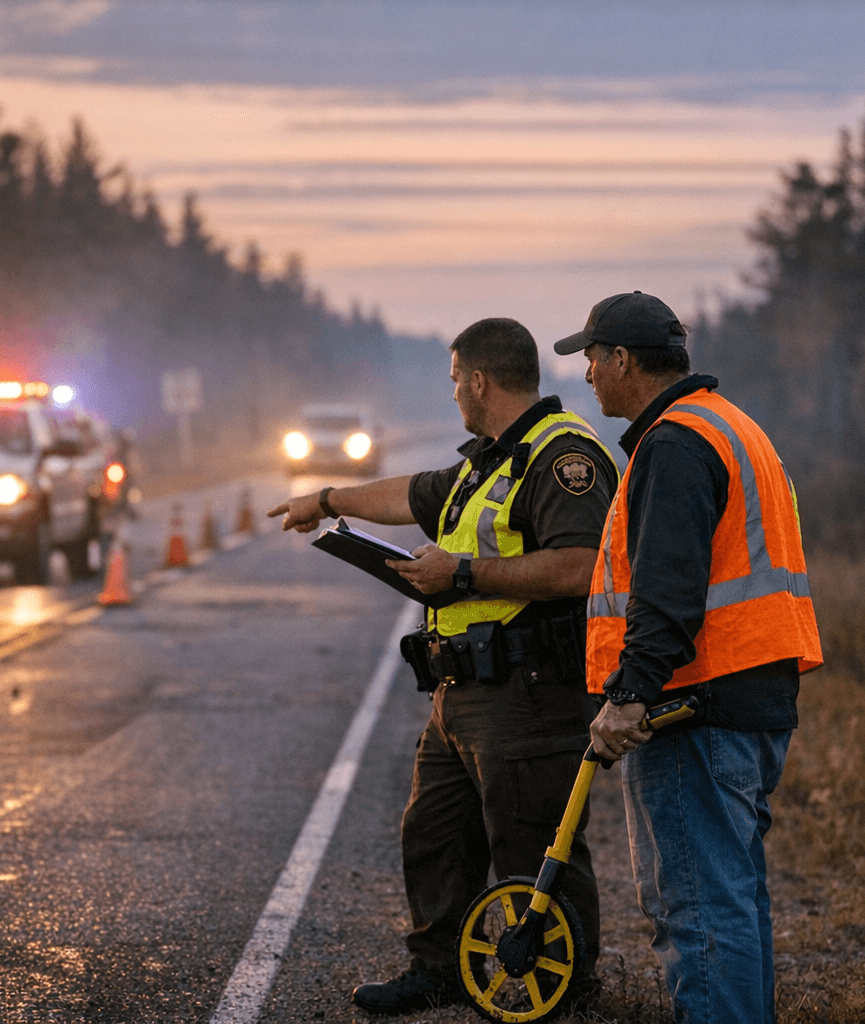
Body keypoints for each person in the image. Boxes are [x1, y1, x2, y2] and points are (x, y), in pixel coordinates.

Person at [268, 318, 617, 1014]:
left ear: (480, 380)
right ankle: (441, 970)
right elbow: (410, 496)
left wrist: (463, 574)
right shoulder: (487, 460)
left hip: (529, 691)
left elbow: (581, 567)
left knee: (530, 843)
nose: (454, 390)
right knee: (434, 835)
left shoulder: (561, 456)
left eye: (456, 378)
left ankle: (566, 991)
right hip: (459, 690)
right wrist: (329, 500)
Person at [555, 291, 822, 1024]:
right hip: (754, 697)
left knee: (698, 904)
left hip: (694, 706)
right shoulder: (732, 427)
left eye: (591, 358)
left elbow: (668, 589)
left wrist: (630, 693)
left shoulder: (673, 444)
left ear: (622, 360)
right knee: (733, 895)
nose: (586, 376)